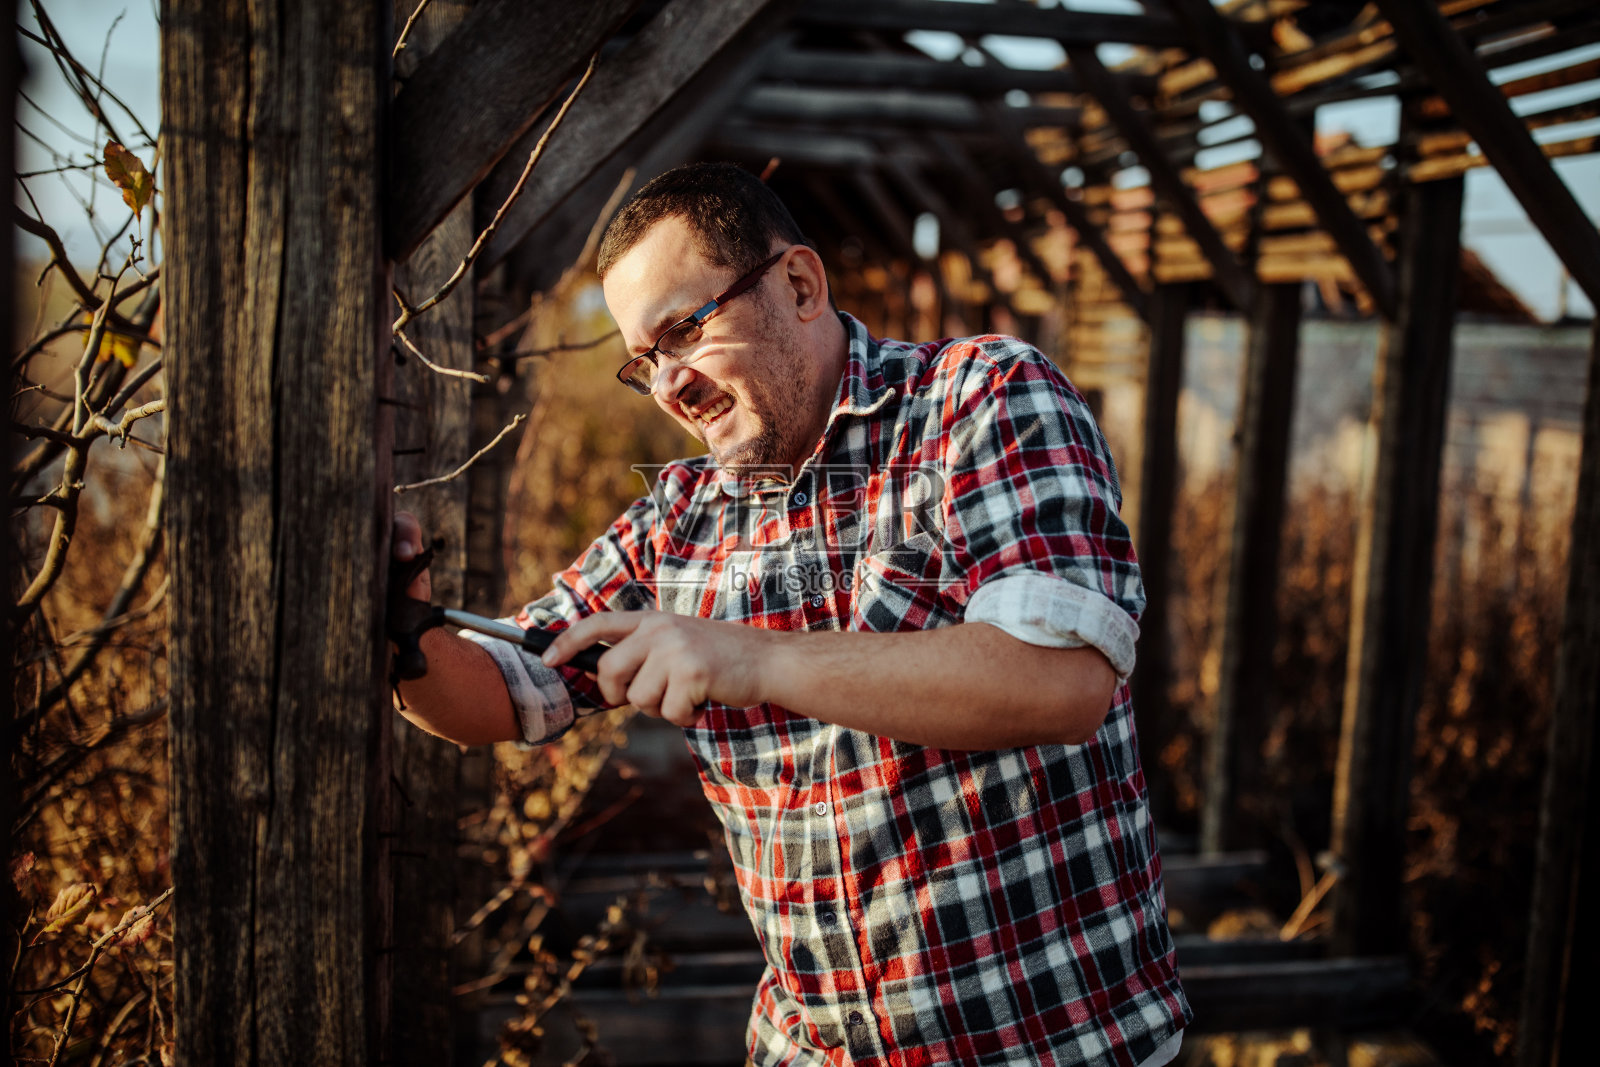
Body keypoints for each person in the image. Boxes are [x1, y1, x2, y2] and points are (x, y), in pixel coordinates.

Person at [392, 162, 1190, 1065]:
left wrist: (749, 657)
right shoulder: (679, 514)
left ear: (800, 285)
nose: (668, 386)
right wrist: (401, 626)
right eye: (644, 360)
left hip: (1049, 1045)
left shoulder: (981, 400)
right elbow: (506, 688)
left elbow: (1059, 679)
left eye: (685, 331)